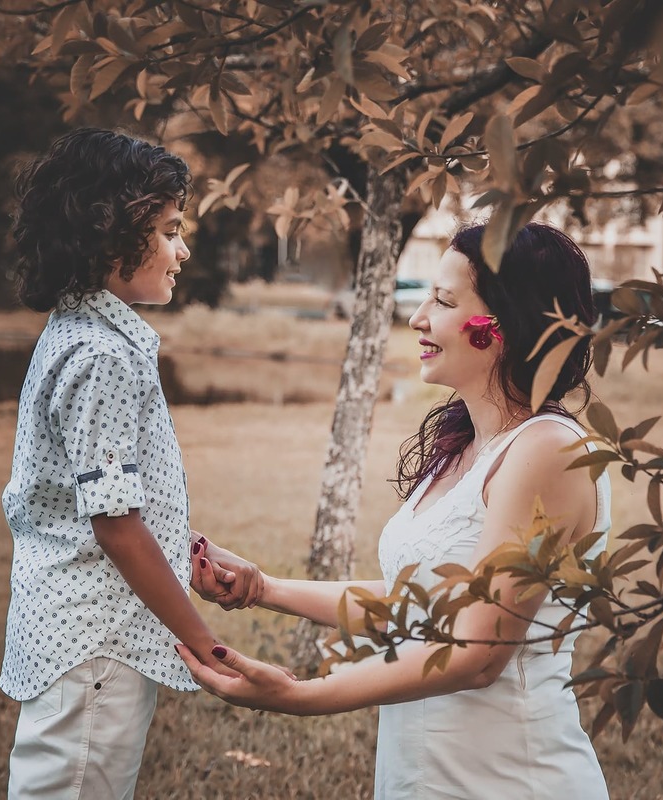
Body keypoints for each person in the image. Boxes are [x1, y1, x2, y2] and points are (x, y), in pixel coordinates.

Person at [184, 221, 611, 798]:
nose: (417, 318)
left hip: (509, 778)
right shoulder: (465, 446)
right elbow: (422, 609)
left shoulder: (547, 451)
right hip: (425, 776)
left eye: (443, 300)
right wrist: (264, 589)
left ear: (505, 324)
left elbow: (477, 653)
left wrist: (301, 696)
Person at [0, 128, 253, 799]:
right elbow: (114, 525)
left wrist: (191, 547)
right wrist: (204, 643)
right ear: (111, 237)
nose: (182, 249)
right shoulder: (101, 356)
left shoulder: (81, 332)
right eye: (170, 230)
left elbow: (110, 503)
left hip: (84, 642)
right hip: (95, 649)